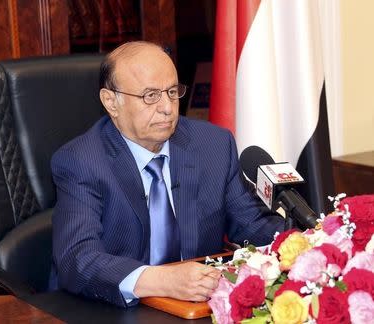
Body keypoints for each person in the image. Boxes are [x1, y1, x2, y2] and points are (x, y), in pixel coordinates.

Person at [50, 41, 284, 307]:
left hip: (194, 308)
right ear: (111, 102)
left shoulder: (213, 145)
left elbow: (252, 224)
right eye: (150, 95)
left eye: (172, 92)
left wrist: (306, 239)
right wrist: (164, 280)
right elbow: (77, 258)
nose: (167, 108)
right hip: (108, 308)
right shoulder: (81, 161)